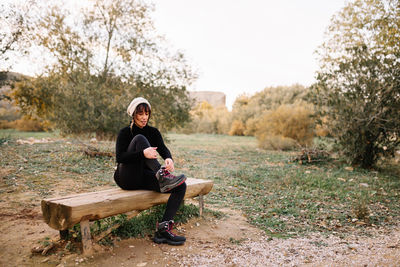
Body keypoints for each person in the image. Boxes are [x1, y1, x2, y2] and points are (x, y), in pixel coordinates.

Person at [114, 97, 187, 245]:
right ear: (133, 114)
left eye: (146, 113)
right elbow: (120, 157)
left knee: (180, 186)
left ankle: (163, 230)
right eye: (140, 114)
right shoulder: (125, 132)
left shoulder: (153, 132)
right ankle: (162, 176)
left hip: (144, 176)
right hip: (127, 178)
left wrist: (168, 158)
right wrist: (142, 154)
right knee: (140, 139)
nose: (144, 117)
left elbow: (163, 148)